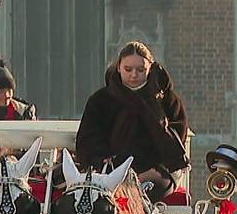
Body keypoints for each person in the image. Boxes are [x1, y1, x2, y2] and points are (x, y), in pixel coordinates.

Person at [75, 41, 189, 202]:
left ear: (150, 69)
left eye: (140, 70)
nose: (134, 75)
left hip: (156, 170)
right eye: (128, 69)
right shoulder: (100, 100)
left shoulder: (168, 100)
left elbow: (176, 138)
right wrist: (101, 159)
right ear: (119, 67)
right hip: (110, 169)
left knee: (143, 192)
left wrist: (154, 168)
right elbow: (89, 137)